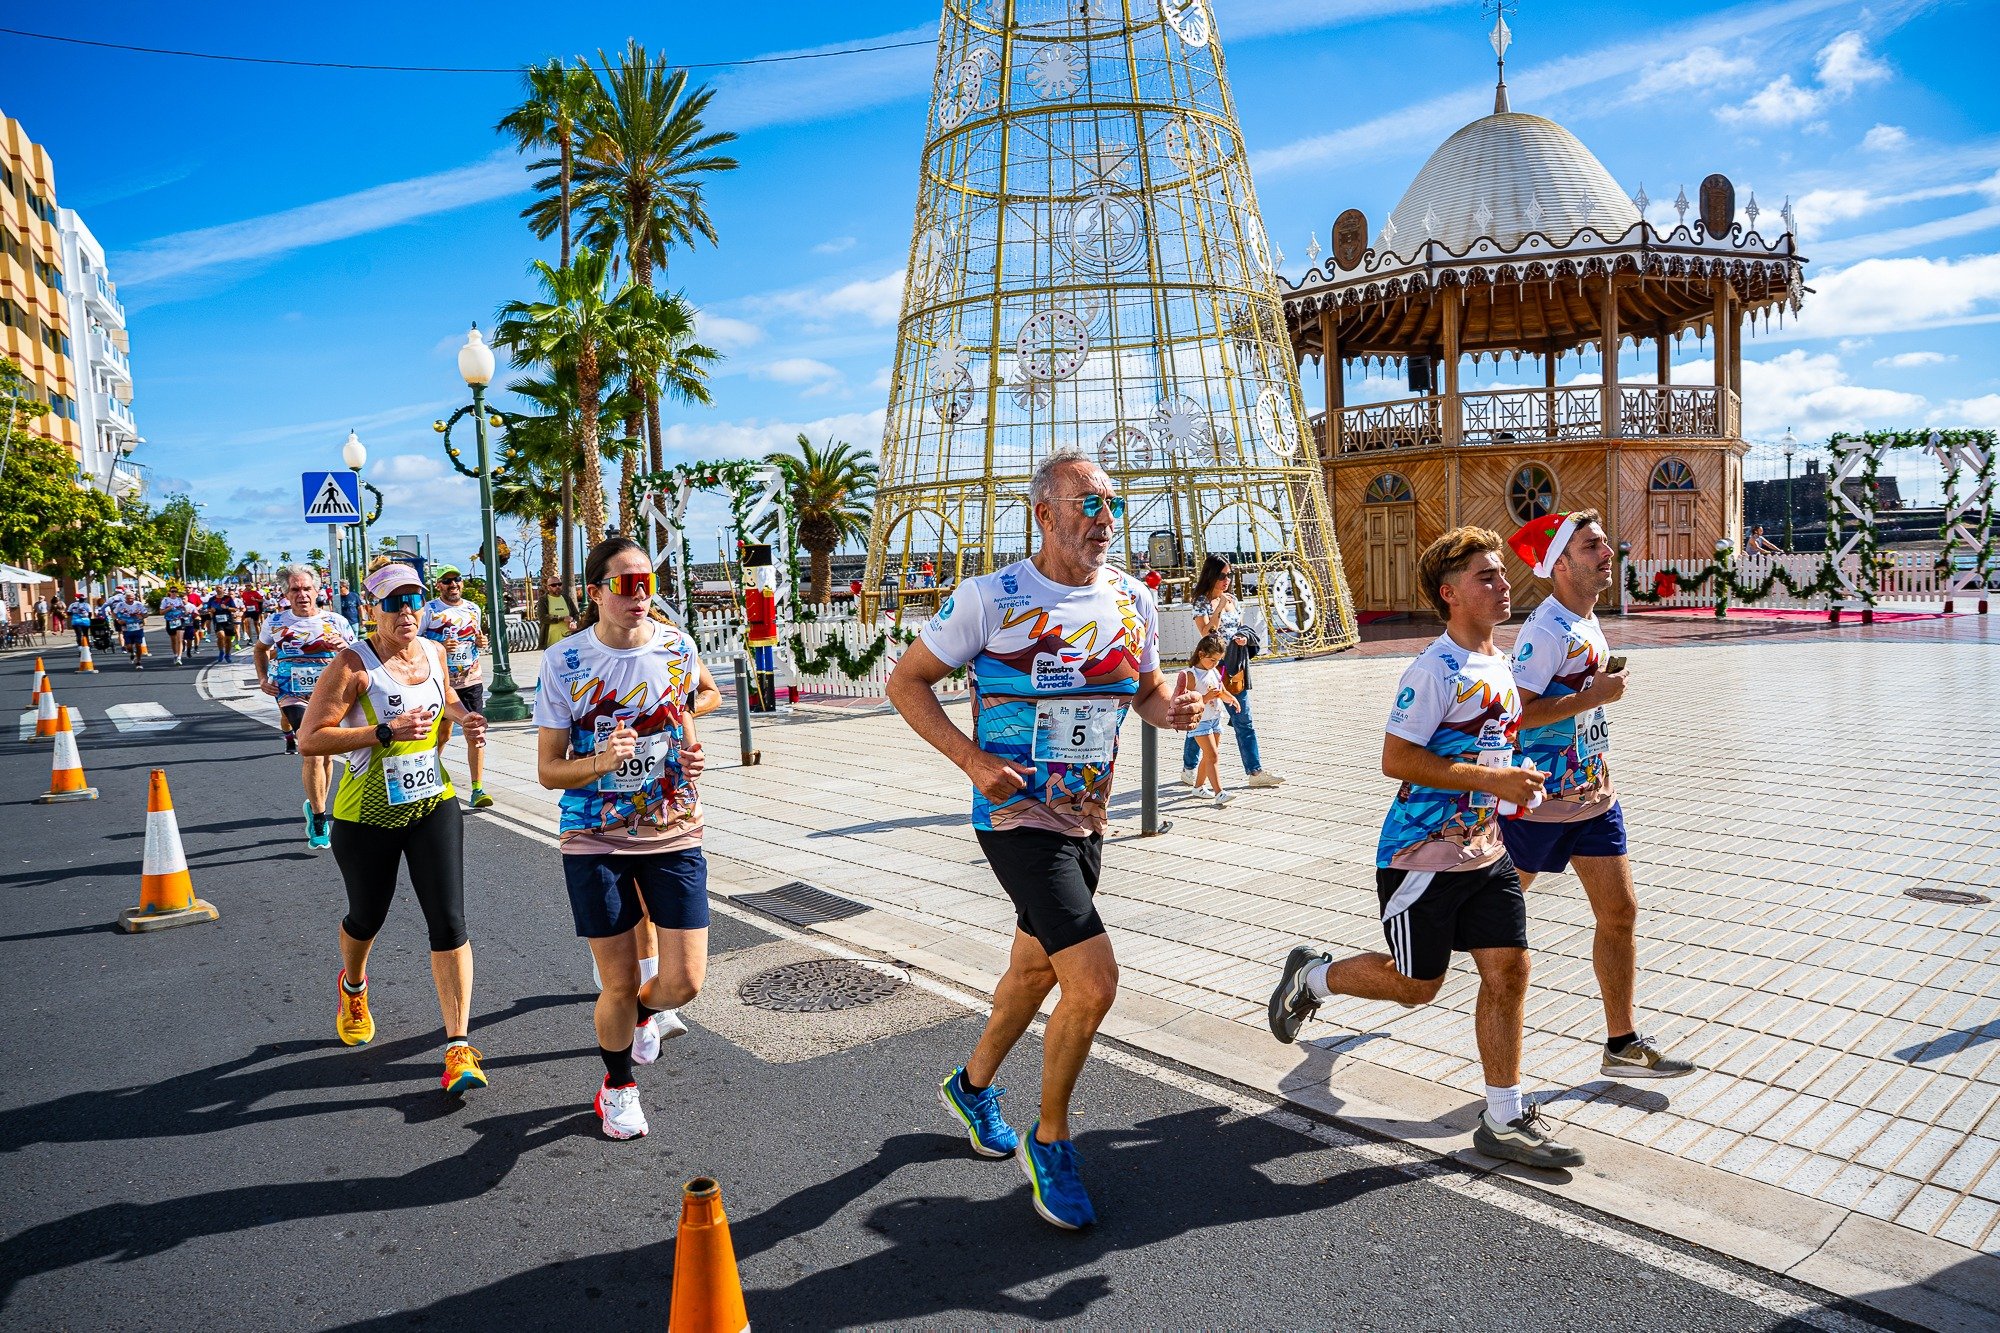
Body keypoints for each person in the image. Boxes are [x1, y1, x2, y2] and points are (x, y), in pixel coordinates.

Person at [888, 448, 1200, 1229]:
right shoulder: (991, 598)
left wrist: (1174, 710)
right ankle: (1050, 1138)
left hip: (1086, 817)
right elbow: (905, 680)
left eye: (1112, 504)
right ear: (1044, 514)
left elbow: (1147, 692)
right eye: (1087, 503)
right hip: (1017, 818)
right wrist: (971, 758)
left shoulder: (1131, 597)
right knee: (1092, 982)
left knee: (1033, 973)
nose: (1105, 519)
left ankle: (971, 1085)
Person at [1266, 526, 1585, 1172]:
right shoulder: (1434, 669)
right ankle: (1312, 976)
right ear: (1450, 594)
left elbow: (1490, 747)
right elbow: (1398, 758)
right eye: (1486, 577)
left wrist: (1515, 780)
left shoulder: (1499, 663)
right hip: (1421, 857)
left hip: (1485, 850)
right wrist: (1492, 781)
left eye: (1501, 573)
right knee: (1417, 986)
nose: (1503, 585)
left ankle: (1503, 1117)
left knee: (1510, 970)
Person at [534, 537, 720, 1141]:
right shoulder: (564, 661)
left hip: (673, 828)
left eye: (647, 583)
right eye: (625, 584)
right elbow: (548, 770)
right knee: (615, 981)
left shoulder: (677, 646)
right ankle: (617, 1088)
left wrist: (691, 756)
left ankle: (643, 1011)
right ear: (595, 592)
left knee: (685, 982)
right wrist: (600, 762)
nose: (640, 595)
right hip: (596, 835)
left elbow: (682, 715)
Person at [1504, 512, 1694, 1081]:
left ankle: (1621, 1044)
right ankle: (1327, 978)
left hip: (1593, 799)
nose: (1608, 552)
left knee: (1620, 912)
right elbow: (1517, 716)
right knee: (1466, 931)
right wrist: (1595, 696)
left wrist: (1594, 700)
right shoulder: (1546, 631)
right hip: (1538, 806)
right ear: (1561, 564)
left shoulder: (1586, 620)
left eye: (1605, 542)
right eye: (1592, 546)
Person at [297, 560, 489, 1094]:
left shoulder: (434, 651)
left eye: (414, 600)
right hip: (366, 816)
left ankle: (458, 1048)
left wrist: (463, 718)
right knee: (367, 917)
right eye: (394, 602)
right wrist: (384, 731)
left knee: (449, 923)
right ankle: (353, 986)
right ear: (371, 609)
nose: (407, 611)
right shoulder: (351, 665)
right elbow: (310, 739)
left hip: (433, 804)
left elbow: (446, 697)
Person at [258, 563, 357, 847]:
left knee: (327, 756)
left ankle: (317, 803)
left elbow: (357, 655)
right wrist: (263, 678)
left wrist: (343, 648)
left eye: (306, 589)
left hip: (329, 695)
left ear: (317, 591)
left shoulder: (336, 621)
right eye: (295, 590)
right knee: (312, 751)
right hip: (292, 694)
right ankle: (319, 816)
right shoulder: (275, 622)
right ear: (286, 594)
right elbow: (260, 649)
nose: (301, 594)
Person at [1179, 555, 1284, 790]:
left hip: (1234, 667)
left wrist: (1243, 637)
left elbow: (1236, 627)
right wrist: (1217, 607)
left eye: (1229, 575)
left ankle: (1255, 772)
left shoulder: (1233, 600)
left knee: (1243, 719)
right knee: (1203, 718)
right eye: (1221, 576)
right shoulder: (1202, 602)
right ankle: (1189, 768)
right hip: (1210, 669)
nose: (1226, 580)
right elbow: (1207, 633)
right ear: (1211, 575)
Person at [419, 567, 494, 810]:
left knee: (476, 731)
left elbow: (477, 638)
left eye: (457, 580)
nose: (453, 584)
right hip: (441, 682)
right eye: (447, 581)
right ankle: (428, 779)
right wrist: (439, 644)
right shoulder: (430, 610)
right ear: (438, 585)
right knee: (443, 734)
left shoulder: (473, 608)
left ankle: (477, 789)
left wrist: (482, 642)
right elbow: (415, 642)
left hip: (471, 680)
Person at [1185, 633, 1239, 805]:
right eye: (1212, 660)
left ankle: (1198, 787)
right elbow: (1188, 701)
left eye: (1218, 660)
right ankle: (1219, 793)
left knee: (1209, 756)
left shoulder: (1213, 671)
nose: (1215, 664)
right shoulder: (1190, 674)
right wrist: (1207, 697)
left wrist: (1231, 699)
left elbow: (1221, 691)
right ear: (1201, 654)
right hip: (1200, 721)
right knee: (1213, 756)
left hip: (1214, 718)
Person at [113, 590, 148, 669]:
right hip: (127, 628)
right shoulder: (120, 605)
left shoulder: (139, 604)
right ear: (125, 598)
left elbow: (146, 614)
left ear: (134, 598)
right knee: (129, 646)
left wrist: (142, 617)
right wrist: (118, 620)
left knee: (138, 645)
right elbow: (114, 614)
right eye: (128, 598)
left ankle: (138, 662)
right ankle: (132, 653)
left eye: (132, 598)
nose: (130, 600)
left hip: (138, 627)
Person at [206, 586, 241, 663]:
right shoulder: (212, 599)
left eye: (220, 588)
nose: (219, 589)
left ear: (223, 590)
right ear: (215, 590)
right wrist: (211, 610)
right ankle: (221, 651)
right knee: (221, 636)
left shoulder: (228, 598)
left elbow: (234, 609)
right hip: (218, 621)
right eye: (217, 588)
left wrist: (226, 607)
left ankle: (227, 654)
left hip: (228, 621)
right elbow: (208, 609)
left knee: (228, 639)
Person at [161, 591, 189, 664]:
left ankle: (179, 658)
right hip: (170, 621)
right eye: (172, 592)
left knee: (179, 639)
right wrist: (169, 608)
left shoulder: (180, 600)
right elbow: (161, 612)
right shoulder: (165, 601)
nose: (174, 593)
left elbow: (185, 609)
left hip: (180, 620)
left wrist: (184, 611)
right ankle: (176, 655)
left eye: (175, 592)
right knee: (173, 640)